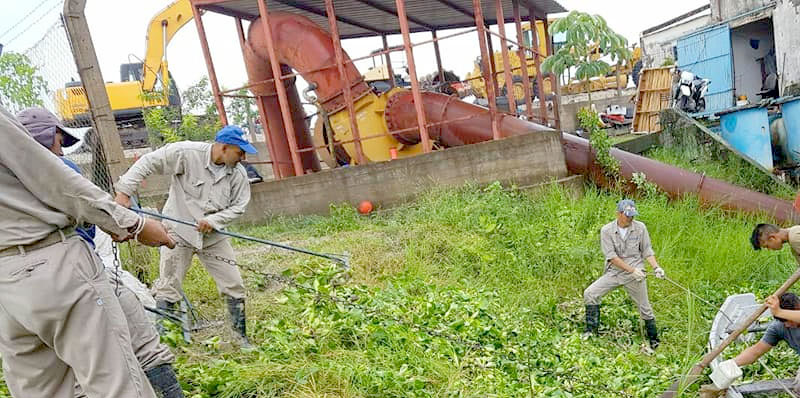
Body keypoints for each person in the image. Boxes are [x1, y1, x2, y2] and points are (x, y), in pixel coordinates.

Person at [0, 105, 174, 398]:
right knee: (115, 383)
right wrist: (134, 224)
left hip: (7, 288)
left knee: (43, 389)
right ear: (46, 138)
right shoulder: (51, 165)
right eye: (59, 141)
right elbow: (56, 181)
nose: (62, 151)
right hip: (54, 266)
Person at [114, 126, 257, 347]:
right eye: (240, 152)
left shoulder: (237, 174)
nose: (243, 158)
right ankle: (166, 343)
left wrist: (214, 221)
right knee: (168, 286)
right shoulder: (187, 153)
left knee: (233, 283)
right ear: (224, 147)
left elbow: (239, 206)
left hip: (213, 236)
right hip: (178, 232)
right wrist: (124, 193)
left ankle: (240, 338)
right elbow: (148, 162)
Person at [583, 199, 666, 351]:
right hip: (615, 272)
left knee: (645, 308)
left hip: (635, 274)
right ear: (619, 214)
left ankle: (653, 339)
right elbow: (612, 257)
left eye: (632, 215)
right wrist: (631, 270)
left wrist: (656, 268)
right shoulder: (606, 230)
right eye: (627, 215)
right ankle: (591, 331)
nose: (630, 218)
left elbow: (647, 250)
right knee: (590, 293)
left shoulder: (640, 228)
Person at [715, 292, 800, 393]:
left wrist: (779, 312)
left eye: (790, 319)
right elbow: (756, 351)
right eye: (785, 321)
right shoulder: (779, 327)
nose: (789, 324)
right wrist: (732, 363)